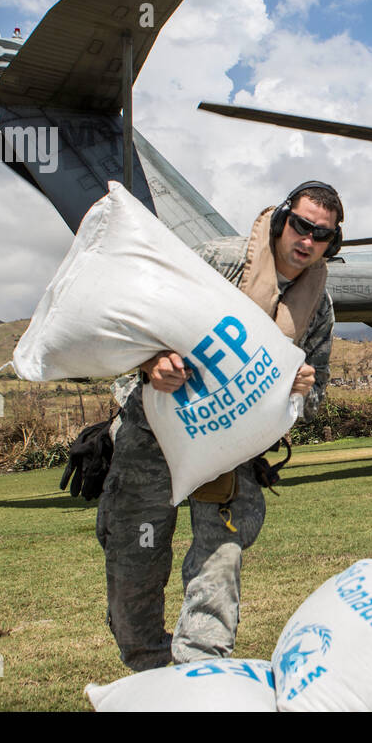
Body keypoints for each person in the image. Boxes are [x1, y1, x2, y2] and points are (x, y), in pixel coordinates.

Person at [95, 181, 341, 671]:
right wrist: (151, 363)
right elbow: (135, 319)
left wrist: (302, 390)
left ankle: (200, 673)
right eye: (301, 225)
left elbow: (316, 396)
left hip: (228, 450)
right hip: (153, 437)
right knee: (134, 558)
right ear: (280, 220)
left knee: (219, 558)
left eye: (322, 235)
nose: (308, 240)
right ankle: (148, 667)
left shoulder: (318, 307)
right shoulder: (219, 262)